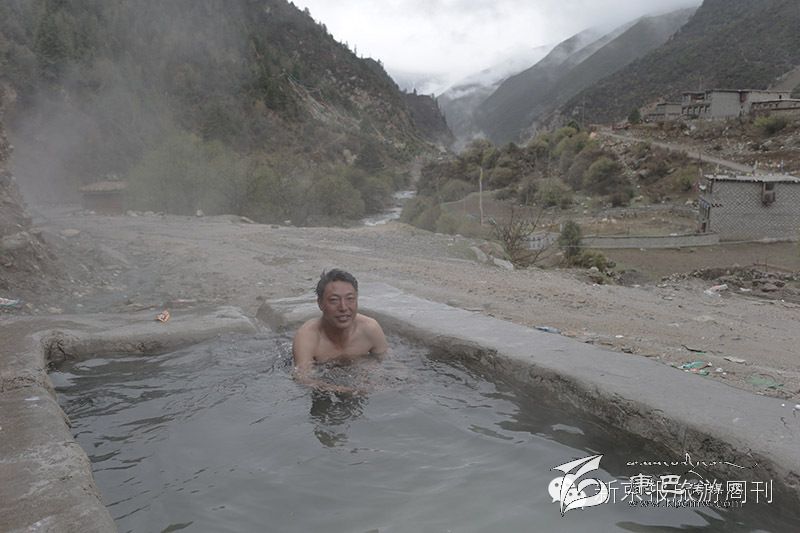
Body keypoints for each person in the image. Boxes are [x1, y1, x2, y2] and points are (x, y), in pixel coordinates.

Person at [292, 269, 388, 392]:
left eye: (350, 299)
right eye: (334, 300)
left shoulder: (370, 329)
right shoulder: (307, 337)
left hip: (356, 375)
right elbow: (303, 378)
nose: (343, 307)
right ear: (320, 303)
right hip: (325, 386)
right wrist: (342, 390)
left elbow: (388, 364)